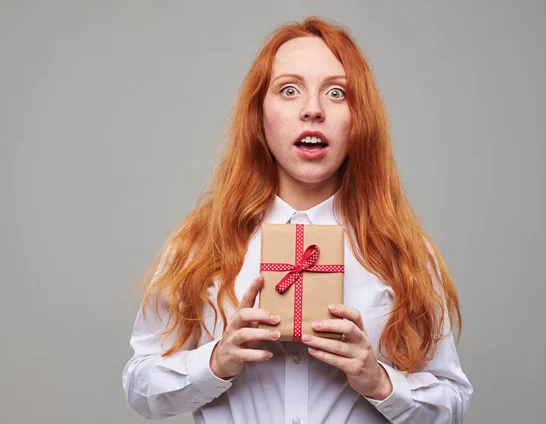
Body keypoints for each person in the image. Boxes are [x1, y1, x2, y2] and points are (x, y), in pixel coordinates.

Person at [122, 16, 473, 424]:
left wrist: (379, 382)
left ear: (360, 118)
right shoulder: (201, 244)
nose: (312, 110)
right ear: (259, 114)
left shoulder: (402, 252)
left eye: (337, 93)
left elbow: (453, 404)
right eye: (289, 90)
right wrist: (216, 361)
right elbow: (139, 387)